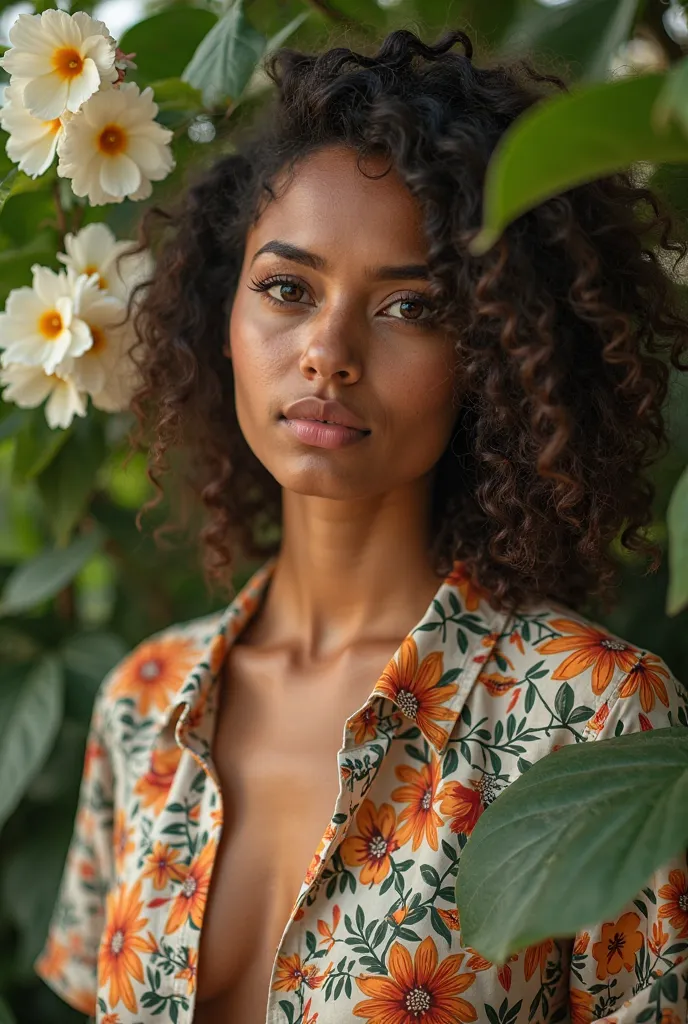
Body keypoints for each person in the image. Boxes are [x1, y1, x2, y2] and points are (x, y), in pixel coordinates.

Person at [35, 25, 688, 1024]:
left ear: (495, 355)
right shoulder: (143, 705)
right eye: (287, 290)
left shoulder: (595, 717)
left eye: (410, 308)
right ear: (222, 315)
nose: (327, 353)